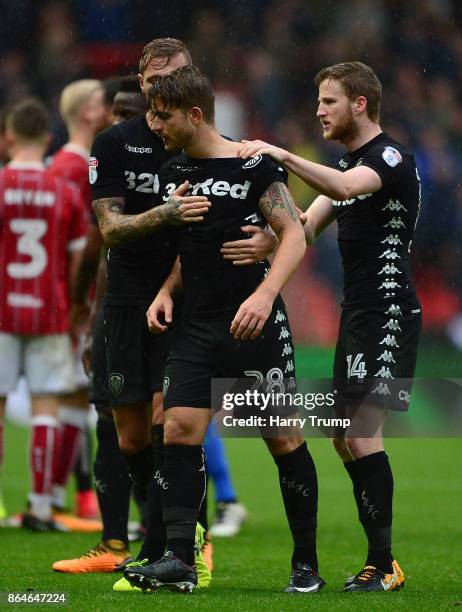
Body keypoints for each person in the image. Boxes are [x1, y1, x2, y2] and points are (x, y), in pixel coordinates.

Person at [124, 65, 324, 595]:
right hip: (197, 324)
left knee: (281, 438)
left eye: (162, 116)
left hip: (253, 323)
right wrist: (168, 289)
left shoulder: (251, 163)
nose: (154, 124)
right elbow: (194, 249)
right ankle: (179, 562)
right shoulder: (172, 172)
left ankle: (306, 564)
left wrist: (264, 294)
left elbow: (294, 236)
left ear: (195, 114)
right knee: (180, 430)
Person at [238, 61, 422, 592]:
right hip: (360, 311)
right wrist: (264, 241)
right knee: (343, 435)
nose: (319, 111)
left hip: (388, 310)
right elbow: (305, 226)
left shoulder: (387, 157)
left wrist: (282, 154)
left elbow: (341, 188)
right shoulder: (349, 165)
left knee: (360, 434)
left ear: (359, 103)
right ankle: (379, 559)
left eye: (328, 101)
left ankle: (384, 565)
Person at [88, 38, 214, 592]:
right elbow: (110, 230)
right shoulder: (114, 143)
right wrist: (166, 212)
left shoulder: (207, 147)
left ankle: (178, 545)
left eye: (176, 75)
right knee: (132, 438)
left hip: (186, 302)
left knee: (174, 426)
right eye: (155, 77)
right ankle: (163, 534)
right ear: (140, 81)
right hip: (124, 301)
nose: (162, 85)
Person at [0, 98, 88, 531]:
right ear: (49, 138)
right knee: (46, 407)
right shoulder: (64, 191)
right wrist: (75, 308)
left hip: (1, 310)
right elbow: (77, 263)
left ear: (8, 137)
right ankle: (40, 505)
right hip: (50, 312)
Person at [49, 78, 110, 530]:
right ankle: (59, 496)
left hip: (75, 295)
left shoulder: (66, 164)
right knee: (70, 392)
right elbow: (80, 242)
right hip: (73, 298)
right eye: (102, 103)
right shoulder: (73, 168)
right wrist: (77, 301)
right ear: (88, 113)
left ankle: (74, 494)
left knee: (74, 393)